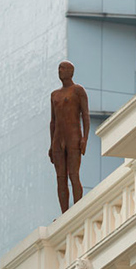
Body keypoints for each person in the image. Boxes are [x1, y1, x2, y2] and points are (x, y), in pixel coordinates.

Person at [49, 60, 90, 213]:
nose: (60, 70)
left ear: (70, 72)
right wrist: (51, 144)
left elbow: (85, 115)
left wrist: (85, 138)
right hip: (58, 140)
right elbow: (53, 121)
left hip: (73, 137)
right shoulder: (54, 95)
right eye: (59, 68)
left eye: (63, 68)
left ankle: (77, 211)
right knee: (60, 178)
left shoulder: (78, 91)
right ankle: (64, 213)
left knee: (73, 174)